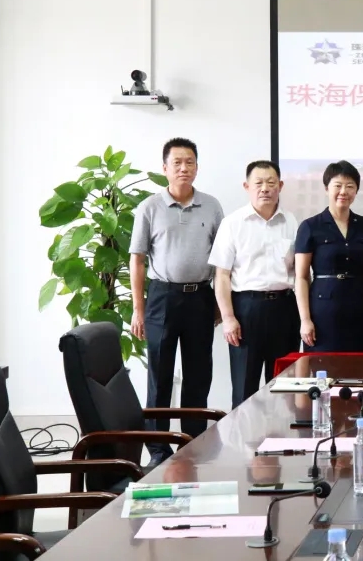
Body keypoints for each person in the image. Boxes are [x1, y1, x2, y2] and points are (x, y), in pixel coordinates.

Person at [128, 138, 224, 464]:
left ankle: (192, 443)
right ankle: (158, 448)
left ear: (197, 167)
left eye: (190, 162)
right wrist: (138, 310)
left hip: (200, 297)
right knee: (160, 374)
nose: (184, 168)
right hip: (162, 297)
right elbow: (137, 260)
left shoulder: (212, 206)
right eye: (177, 163)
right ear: (165, 168)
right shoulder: (150, 207)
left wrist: (220, 304)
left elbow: (223, 260)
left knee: (199, 373)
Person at [209, 161, 299, 408]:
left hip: (285, 309)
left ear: (280, 186)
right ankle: (241, 435)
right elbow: (222, 276)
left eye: (271, 183)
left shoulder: (291, 221)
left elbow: (301, 273)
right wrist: (228, 317)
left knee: (284, 388)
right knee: (244, 388)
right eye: (258, 183)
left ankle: (282, 433)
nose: (265, 188)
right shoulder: (233, 223)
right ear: (246, 186)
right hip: (246, 310)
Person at [294, 161, 363, 352]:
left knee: (361, 365)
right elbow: (302, 277)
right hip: (323, 311)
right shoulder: (310, 226)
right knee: (322, 366)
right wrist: (305, 320)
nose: (343, 191)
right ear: (326, 188)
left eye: (350, 186)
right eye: (338, 185)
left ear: (356, 191)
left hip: (360, 308)